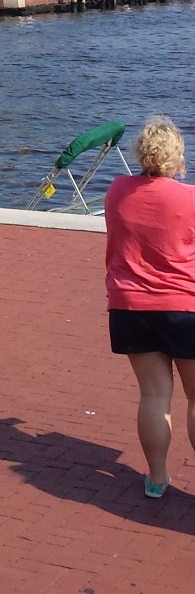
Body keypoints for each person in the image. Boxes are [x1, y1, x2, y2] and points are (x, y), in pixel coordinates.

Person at [104, 116, 195, 498]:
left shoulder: (117, 191)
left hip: (131, 306)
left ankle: (157, 478)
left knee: (154, 395)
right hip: (185, 306)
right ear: (177, 158)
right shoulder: (190, 198)